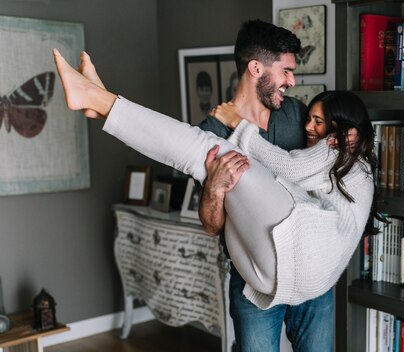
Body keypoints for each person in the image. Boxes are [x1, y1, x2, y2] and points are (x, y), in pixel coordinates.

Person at [53, 19, 355, 352]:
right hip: (253, 276)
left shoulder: (299, 116)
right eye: (285, 71)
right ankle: (99, 101)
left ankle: (100, 102)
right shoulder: (213, 128)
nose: (291, 80)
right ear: (256, 68)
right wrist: (215, 188)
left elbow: (320, 174)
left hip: (308, 263)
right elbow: (213, 227)